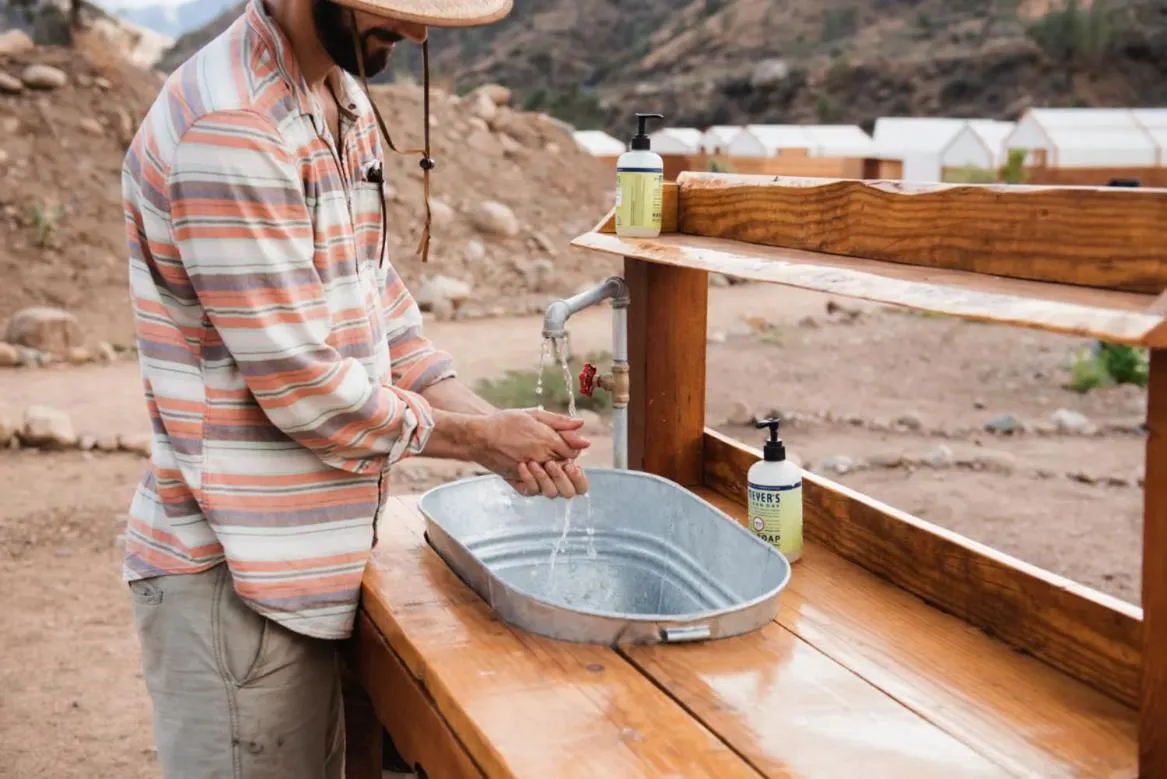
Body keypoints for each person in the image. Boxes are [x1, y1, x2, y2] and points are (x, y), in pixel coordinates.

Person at [119, 0, 587, 775]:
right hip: (238, 579)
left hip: (315, 566)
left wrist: (498, 425)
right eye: (393, 5)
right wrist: (479, 440)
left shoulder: (340, 97)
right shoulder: (233, 127)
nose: (418, 32)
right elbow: (303, 387)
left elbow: (378, 310)